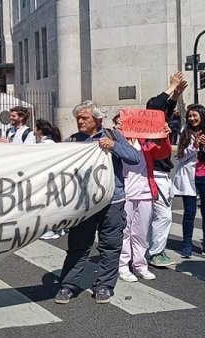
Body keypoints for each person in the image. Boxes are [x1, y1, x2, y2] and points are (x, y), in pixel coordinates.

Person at [54, 100, 140, 305]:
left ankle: (104, 285)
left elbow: (134, 158)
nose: (80, 122)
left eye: (84, 118)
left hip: (113, 201)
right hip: (84, 203)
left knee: (110, 245)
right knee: (78, 245)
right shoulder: (73, 140)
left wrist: (114, 146)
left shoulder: (112, 136)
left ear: (98, 119)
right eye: (78, 118)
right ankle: (68, 285)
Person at [116, 114, 171, 282]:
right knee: (125, 231)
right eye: (118, 122)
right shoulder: (116, 143)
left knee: (140, 232)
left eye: (123, 121)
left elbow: (163, 152)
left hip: (145, 192)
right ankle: (123, 266)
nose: (121, 124)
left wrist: (164, 136)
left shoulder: (144, 142)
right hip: (125, 193)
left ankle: (140, 265)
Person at [145, 71, 187, 268]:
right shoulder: (147, 127)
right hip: (154, 175)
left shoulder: (161, 125)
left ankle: (151, 249)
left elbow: (166, 110)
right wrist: (170, 87)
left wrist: (176, 95)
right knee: (163, 215)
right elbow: (156, 107)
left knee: (157, 215)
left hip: (162, 174)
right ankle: (155, 252)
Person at [173, 104, 205, 258]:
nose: (192, 119)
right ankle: (187, 244)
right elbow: (180, 156)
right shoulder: (185, 131)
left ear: (202, 116)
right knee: (189, 212)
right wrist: (193, 147)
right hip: (189, 176)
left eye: (195, 116)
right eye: (190, 116)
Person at [35, 118, 64, 240]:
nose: (34, 132)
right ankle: (58, 228)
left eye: (35, 129)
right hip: (55, 178)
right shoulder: (52, 144)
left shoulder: (44, 146)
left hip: (48, 179)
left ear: (40, 131)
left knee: (48, 205)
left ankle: (49, 230)